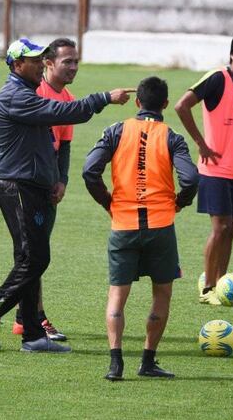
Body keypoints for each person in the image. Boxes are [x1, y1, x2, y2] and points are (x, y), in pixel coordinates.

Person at [0, 37, 132, 353]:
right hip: (18, 188)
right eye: (34, 61)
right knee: (35, 258)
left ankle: (32, 335)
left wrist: (59, 178)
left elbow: (59, 139)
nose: (39, 65)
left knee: (30, 259)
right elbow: (65, 111)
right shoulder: (16, 96)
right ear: (18, 65)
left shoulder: (27, 93)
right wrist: (104, 98)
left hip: (34, 188)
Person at [82, 76, 198, 380]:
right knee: (162, 294)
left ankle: (115, 363)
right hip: (161, 226)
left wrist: (108, 202)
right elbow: (191, 179)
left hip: (123, 225)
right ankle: (147, 361)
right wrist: (179, 203)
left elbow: (89, 171)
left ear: (137, 102)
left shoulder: (116, 131)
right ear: (165, 104)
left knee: (117, 295)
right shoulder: (172, 137)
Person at [173, 30, 233, 306]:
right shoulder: (217, 78)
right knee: (220, 227)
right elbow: (181, 106)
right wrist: (201, 143)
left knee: (231, 228)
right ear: (232, 54)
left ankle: (222, 283)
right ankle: (207, 288)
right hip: (214, 169)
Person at [12, 38, 80, 342]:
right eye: (67, 61)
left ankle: (23, 318)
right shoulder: (34, 92)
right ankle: (35, 318)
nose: (73, 67)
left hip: (48, 183)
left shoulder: (67, 98)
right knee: (34, 254)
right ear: (48, 63)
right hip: (29, 182)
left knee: (36, 252)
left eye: (76, 61)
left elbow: (64, 146)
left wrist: (62, 180)